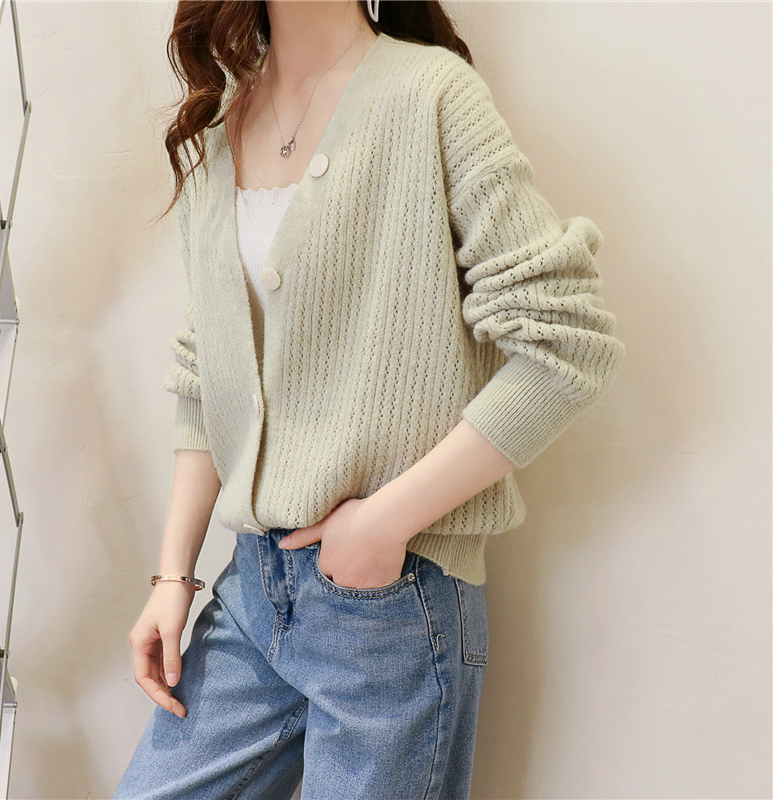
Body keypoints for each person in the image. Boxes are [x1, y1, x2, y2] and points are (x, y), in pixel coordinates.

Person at [113, 1, 625, 798]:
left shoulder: (431, 94)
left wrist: (383, 525)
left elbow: (566, 344)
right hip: (252, 589)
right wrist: (171, 579)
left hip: (393, 598)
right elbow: (204, 373)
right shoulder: (220, 124)